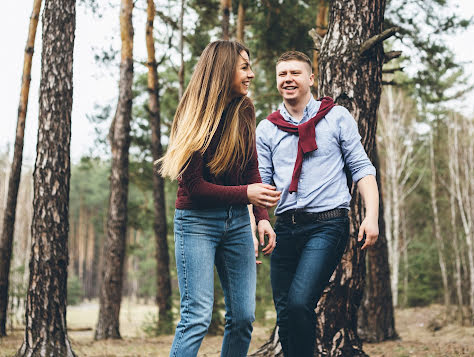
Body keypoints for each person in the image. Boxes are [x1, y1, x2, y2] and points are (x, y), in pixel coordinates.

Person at [157, 40, 280, 357]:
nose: (250, 74)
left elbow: (251, 168)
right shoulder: (193, 115)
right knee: (196, 317)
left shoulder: (244, 109)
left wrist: (262, 217)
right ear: (224, 70)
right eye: (244, 67)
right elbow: (195, 188)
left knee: (242, 317)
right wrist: (247, 194)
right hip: (196, 224)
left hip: (237, 224)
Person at [255, 51, 380, 357]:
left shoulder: (336, 117)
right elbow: (261, 186)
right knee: (285, 312)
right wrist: (260, 222)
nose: (288, 79)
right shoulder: (267, 128)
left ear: (310, 78)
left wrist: (372, 216)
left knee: (299, 302)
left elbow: (362, 168)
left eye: (295, 73)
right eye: (282, 74)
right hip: (284, 227)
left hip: (326, 224)